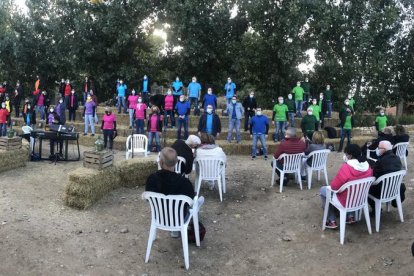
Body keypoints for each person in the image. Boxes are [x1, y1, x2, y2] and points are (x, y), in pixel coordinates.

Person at [145, 147, 200, 238]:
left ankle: (173, 230)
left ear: (160, 162)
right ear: (176, 161)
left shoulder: (152, 179)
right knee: (197, 200)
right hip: (179, 219)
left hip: (159, 217)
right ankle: (176, 230)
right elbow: (190, 201)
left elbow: (148, 198)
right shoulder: (184, 182)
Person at [320, 144, 373, 228]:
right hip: (361, 198)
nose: (345, 156)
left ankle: (331, 220)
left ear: (350, 155)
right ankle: (349, 216)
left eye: (346, 154)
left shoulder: (346, 167)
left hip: (345, 200)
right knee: (351, 190)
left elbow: (334, 187)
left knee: (323, 190)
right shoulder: (368, 166)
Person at [368, 141, 405, 212]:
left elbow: (375, 177)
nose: (377, 149)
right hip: (395, 188)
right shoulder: (397, 158)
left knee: (366, 189)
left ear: (383, 149)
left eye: (378, 148)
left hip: (382, 191)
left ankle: (375, 210)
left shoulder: (381, 161)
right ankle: (395, 200)